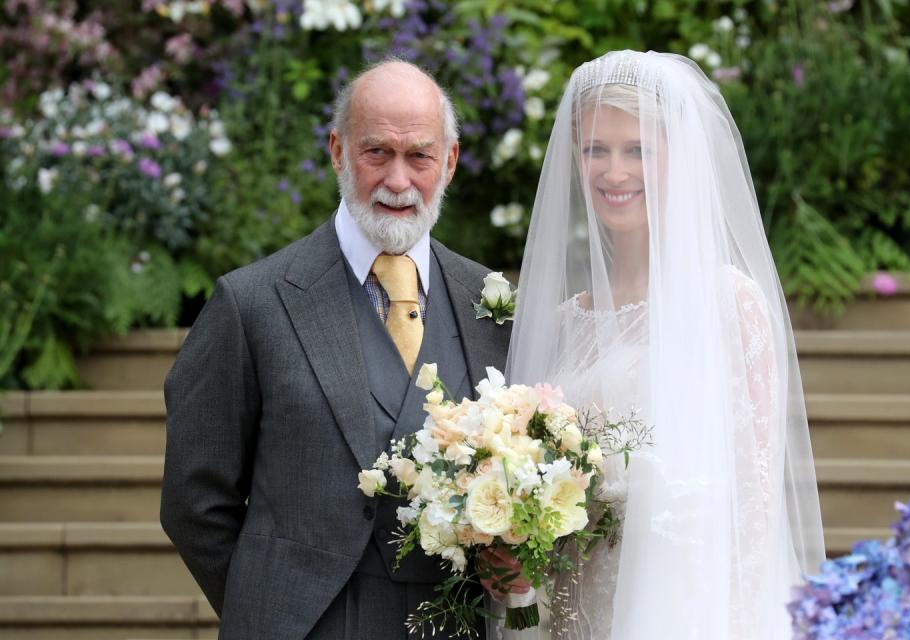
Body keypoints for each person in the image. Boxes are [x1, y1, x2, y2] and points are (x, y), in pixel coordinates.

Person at [160, 59, 510, 639]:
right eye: (376, 152)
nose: (398, 181)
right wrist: (271, 609)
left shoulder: (493, 306)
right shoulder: (250, 303)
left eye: (418, 155)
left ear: (448, 162)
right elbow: (194, 502)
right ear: (337, 151)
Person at [501, 50, 826, 639]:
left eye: (638, 150)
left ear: (680, 160)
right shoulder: (563, 321)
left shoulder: (729, 304)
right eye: (596, 149)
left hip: (683, 609)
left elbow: (754, 505)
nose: (613, 172)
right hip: (573, 606)